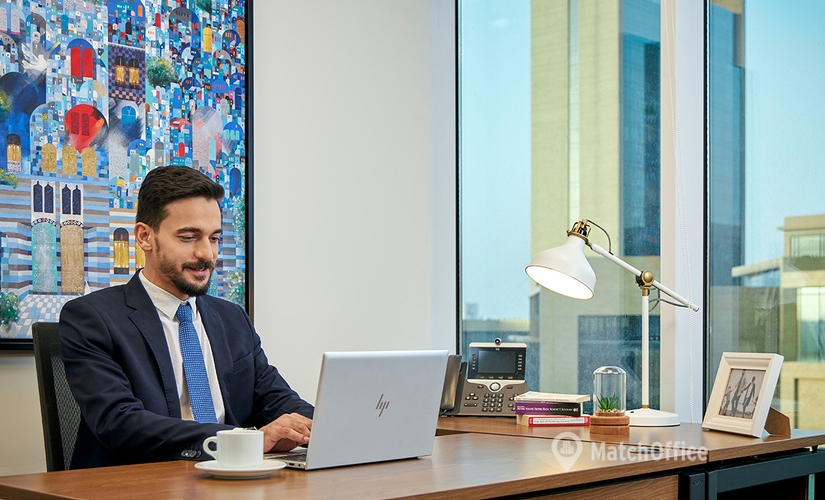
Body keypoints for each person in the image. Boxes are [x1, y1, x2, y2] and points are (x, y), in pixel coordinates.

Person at [60, 166, 313, 469]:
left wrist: (327, 427)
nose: (207, 253)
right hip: (139, 482)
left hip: (230, 481)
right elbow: (120, 423)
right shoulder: (91, 318)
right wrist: (246, 440)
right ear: (145, 237)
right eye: (189, 237)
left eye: (214, 238)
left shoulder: (232, 319)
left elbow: (277, 400)